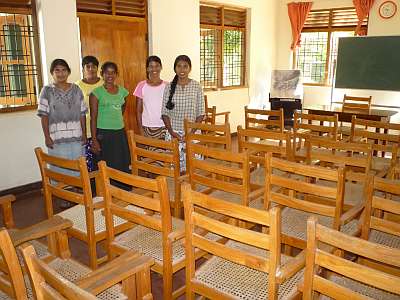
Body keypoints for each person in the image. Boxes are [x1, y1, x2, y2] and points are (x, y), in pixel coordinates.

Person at [37, 58, 87, 208]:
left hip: (76, 137)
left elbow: (82, 113)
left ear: (68, 72)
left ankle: (78, 194)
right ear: (52, 73)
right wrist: (47, 136)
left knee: (77, 165)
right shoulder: (47, 91)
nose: (61, 73)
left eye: (63, 70)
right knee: (60, 168)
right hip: (57, 138)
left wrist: (84, 133)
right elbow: (43, 115)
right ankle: (63, 196)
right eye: (57, 70)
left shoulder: (76, 89)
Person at [161, 55, 205, 172]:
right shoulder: (169, 87)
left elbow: (201, 113)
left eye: (185, 66)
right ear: (175, 68)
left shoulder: (196, 86)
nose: (182, 69)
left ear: (189, 69)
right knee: (175, 170)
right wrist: (171, 131)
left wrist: (191, 133)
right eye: (179, 66)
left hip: (193, 133)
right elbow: (165, 113)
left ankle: (192, 190)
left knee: (194, 169)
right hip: (173, 134)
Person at [89, 62, 130, 176]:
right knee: (105, 165)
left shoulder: (123, 91)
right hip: (103, 134)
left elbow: (122, 108)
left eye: (113, 72)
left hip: (119, 133)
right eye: (107, 72)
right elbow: (93, 118)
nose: (110, 75)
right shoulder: (96, 93)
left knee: (121, 163)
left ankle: (121, 190)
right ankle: (106, 191)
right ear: (102, 74)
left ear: (116, 74)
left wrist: (115, 120)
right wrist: (94, 140)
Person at [76, 55, 103, 171]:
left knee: (103, 161)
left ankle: (105, 187)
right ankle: (91, 188)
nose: (91, 69)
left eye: (94, 66)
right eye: (88, 66)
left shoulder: (104, 83)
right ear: (83, 69)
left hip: (103, 127)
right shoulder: (77, 86)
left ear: (97, 68)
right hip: (85, 129)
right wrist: (82, 133)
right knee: (89, 164)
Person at [133, 55, 167, 140]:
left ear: (161, 67)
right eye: (151, 66)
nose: (154, 69)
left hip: (164, 127)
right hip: (147, 128)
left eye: (157, 66)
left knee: (164, 153)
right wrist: (141, 130)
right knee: (149, 153)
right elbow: (138, 110)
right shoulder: (141, 85)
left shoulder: (167, 86)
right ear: (147, 69)